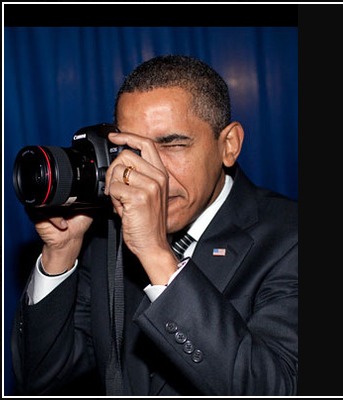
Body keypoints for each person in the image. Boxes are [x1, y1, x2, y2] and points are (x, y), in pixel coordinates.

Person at [11, 55, 298, 396]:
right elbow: (42, 377)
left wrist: (155, 254)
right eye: (132, 148)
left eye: (172, 144)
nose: (150, 173)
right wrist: (60, 253)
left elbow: (274, 388)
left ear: (229, 145)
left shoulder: (288, 238)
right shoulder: (106, 234)